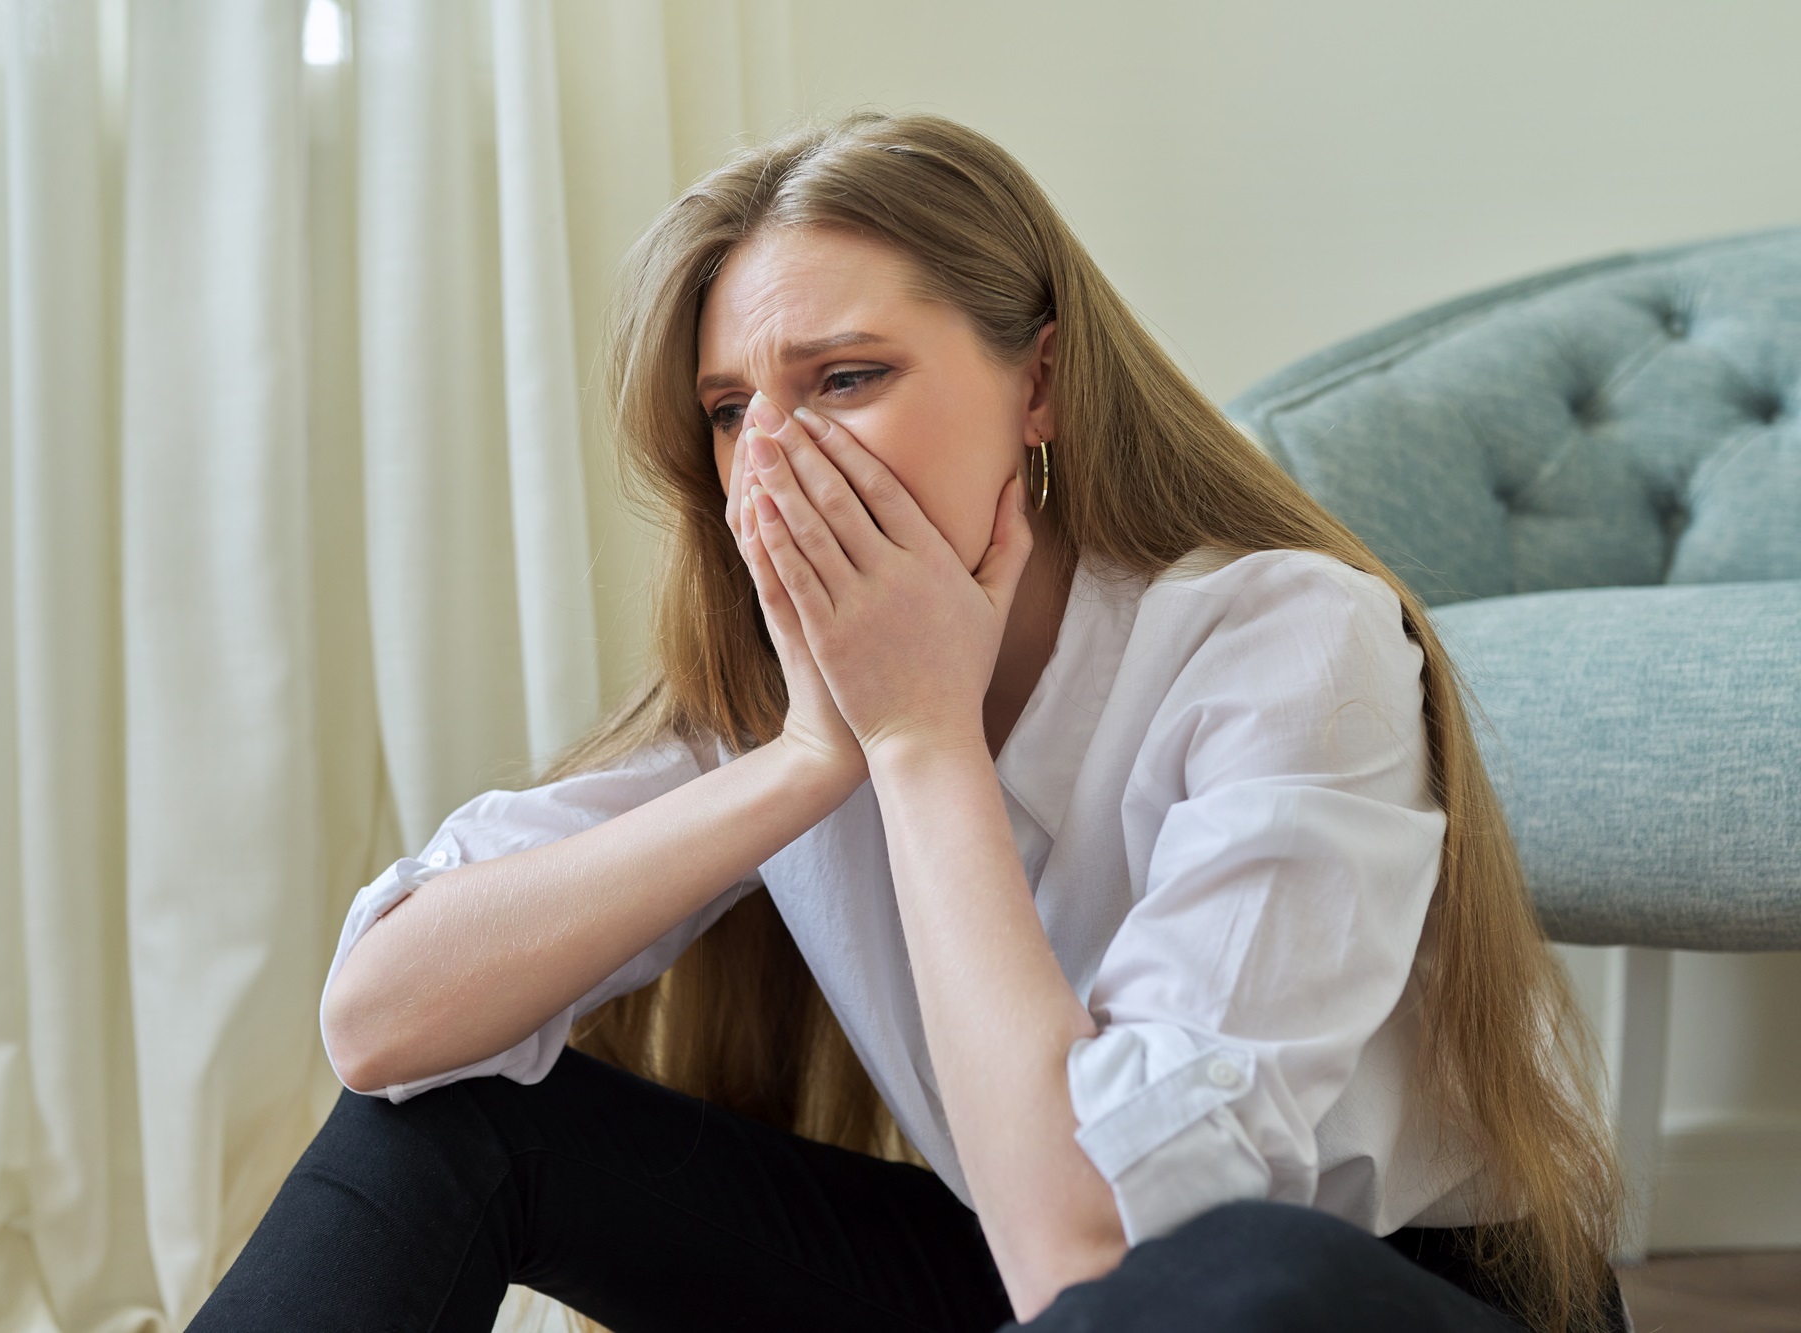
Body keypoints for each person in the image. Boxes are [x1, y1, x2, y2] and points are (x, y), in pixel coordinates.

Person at [189, 111, 1627, 1333]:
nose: (778, 459)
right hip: (1019, 1273)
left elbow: (1104, 1258)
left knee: (1248, 1269)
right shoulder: (789, 697)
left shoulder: (1289, 641)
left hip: (1339, 1291)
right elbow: (379, 1021)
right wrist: (817, 757)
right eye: (731, 409)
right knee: (457, 1112)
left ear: (1040, 387)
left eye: (847, 379)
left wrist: (923, 740)